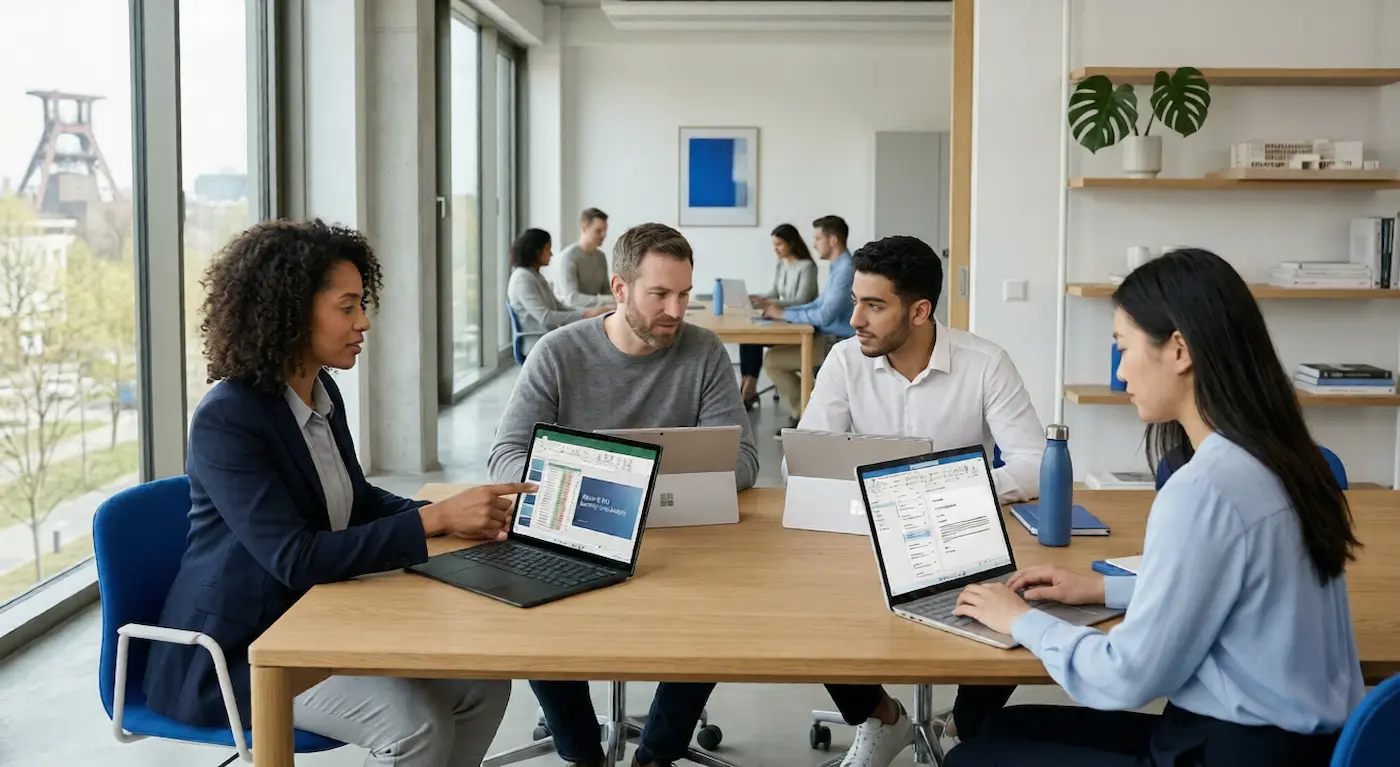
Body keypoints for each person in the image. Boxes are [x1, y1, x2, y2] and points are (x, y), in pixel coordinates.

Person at [943, 248, 1363, 766]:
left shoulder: (1205, 488)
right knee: (1000, 725)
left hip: (1234, 750)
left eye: (1123, 348)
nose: (1121, 373)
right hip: (1297, 744)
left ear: (1179, 350)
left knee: (971, 759)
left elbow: (1127, 675)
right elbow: (1227, 589)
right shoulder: (1284, 457)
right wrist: (1102, 590)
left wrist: (1021, 620)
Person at [144, 220, 532, 767]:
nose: (363, 322)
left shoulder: (319, 390)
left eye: (361, 305)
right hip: (242, 652)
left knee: (483, 685)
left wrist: (451, 515)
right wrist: (432, 521)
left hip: (317, 618)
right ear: (290, 313)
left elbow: (357, 501)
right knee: (415, 726)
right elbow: (296, 557)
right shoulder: (228, 419)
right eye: (347, 308)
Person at [488, 222, 759, 767]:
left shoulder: (704, 351)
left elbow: (744, 461)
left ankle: (657, 754)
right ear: (619, 288)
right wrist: (599, 491)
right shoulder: (558, 352)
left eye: (684, 294)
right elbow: (506, 458)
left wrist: (628, 489)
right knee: (529, 598)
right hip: (576, 531)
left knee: (723, 609)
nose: (676, 311)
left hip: (680, 538)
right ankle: (581, 752)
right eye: (660, 294)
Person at [795, 235, 1044, 767]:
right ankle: (880, 718)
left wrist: (951, 491)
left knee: (1020, 596)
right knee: (808, 608)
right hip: (866, 532)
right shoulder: (844, 360)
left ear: (920, 311)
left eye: (874, 305)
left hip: (961, 533)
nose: (854, 318)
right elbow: (808, 459)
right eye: (855, 300)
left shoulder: (984, 363)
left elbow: (1033, 462)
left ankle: (966, 727)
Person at [761, 214, 856, 429]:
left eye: (817, 238)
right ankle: (809, 412)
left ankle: (806, 415)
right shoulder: (838, 267)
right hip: (827, 336)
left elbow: (824, 316)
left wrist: (783, 315)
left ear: (833, 240)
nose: (813, 244)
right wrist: (784, 311)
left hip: (836, 341)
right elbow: (817, 304)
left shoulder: (846, 270)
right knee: (773, 357)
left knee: (772, 361)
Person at [740, 223, 818, 408]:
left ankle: (748, 391)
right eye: (774, 245)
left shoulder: (807, 266)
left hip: (796, 320)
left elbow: (802, 300)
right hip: (781, 317)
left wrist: (769, 304)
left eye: (779, 244)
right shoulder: (781, 264)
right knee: (748, 336)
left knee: (753, 338)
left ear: (792, 243)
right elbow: (775, 292)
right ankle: (748, 384)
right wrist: (757, 297)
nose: (775, 249)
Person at [507, 228, 610, 356]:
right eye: (547, 249)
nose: (551, 254)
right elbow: (546, 317)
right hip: (537, 343)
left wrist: (588, 312)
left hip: (549, 337)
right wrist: (586, 315)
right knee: (595, 345)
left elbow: (558, 306)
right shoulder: (522, 278)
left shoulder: (535, 275)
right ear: (536, 251)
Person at [553, 207, 613, 307]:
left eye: (605, 230)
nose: (604, 235)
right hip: (571, 314)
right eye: (598, 231)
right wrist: (610, 300)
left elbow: (605, 290)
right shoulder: (568, 257)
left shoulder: (601, 257)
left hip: (594, 311)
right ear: (584, 229)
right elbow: (571, 299)